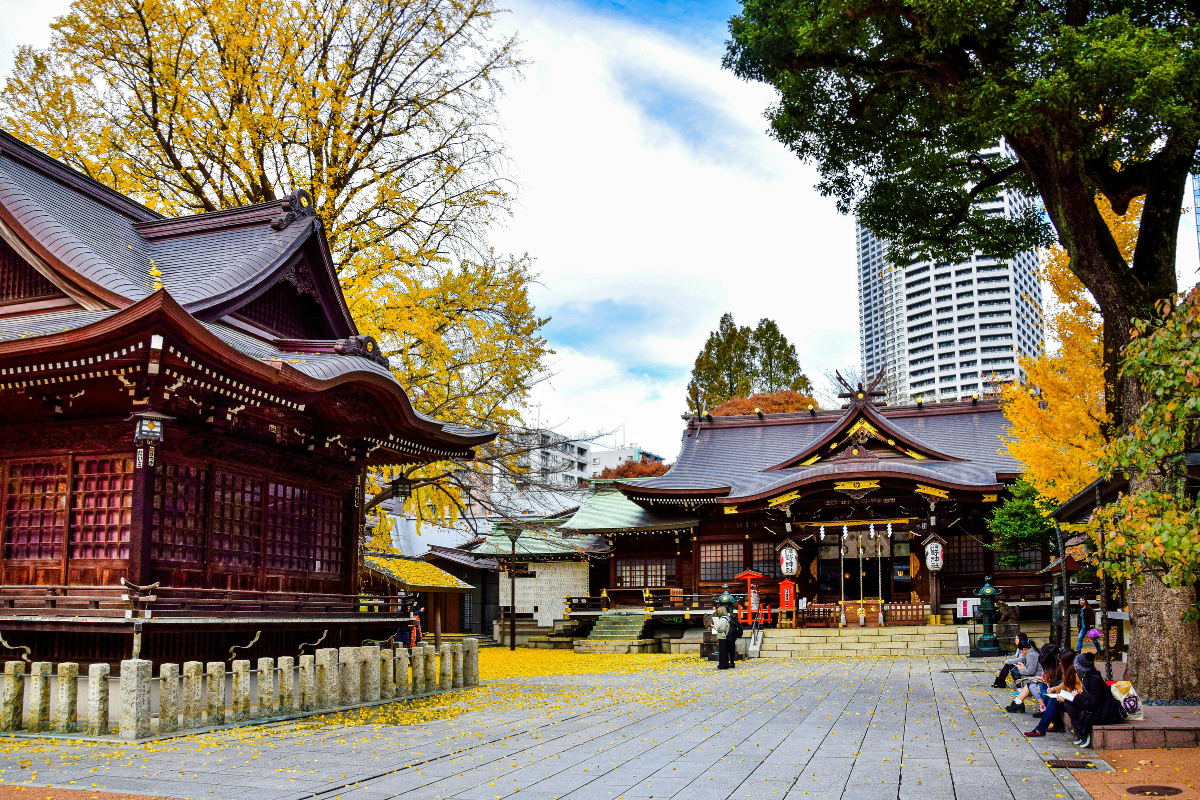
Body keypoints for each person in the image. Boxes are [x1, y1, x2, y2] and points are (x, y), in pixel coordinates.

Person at [1069, 651, 1124, 748]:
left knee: (1075, 706)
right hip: (1097, 708)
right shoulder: (1087, 677)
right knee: (1068, 703)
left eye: (1076, 667)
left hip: (1105, 712)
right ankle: (1079, 731)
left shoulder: (1094, 680)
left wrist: (1077, 697)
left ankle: (1084, 733)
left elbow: (1092, 705)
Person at [1024, 649, 1068, 737]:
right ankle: (1057, 724)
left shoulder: (1064, 670)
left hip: (1068, 696)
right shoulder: (1059, 669)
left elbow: (1065, 684)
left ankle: (1041, 728)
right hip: (1059, 692)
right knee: (1045, 693)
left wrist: (1052, 685)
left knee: (1050, 699)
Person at [1003, 639, 1040, 710]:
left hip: (1036, 677)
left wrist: (1021, 669)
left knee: (1027, 684)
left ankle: (1018, 702)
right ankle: (1017, 702)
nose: (1021, 653)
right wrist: (1023, 667)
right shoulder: (1031, 652)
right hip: (1035, 676)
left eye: (1021, 651)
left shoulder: (1031, 654)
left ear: (1024, 649)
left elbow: (1031, 671)